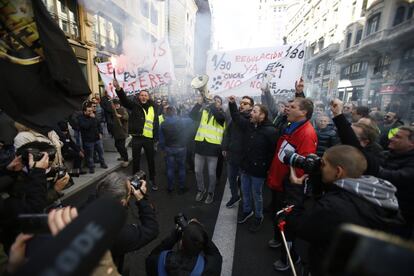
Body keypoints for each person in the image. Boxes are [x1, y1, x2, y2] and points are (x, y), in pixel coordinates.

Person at [287, 145, 406, 275]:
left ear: (338, 172)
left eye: (323, 164)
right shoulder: (378, 194)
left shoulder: (333, 207)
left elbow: (297, 224)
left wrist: (296, 190)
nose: (319, 167)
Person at [266, 97, 317, 270]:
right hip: (279, 181)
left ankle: (288, 258)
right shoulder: (291, 125)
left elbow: (301, 166)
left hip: (290, 187)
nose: (288, 109)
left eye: (293, 107)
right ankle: (278, 240)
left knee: (287, 223)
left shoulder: (307, 133)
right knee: (276, 213)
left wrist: (291, 185)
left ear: (303, 112)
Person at [93, 172, 159, 273]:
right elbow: (152, 229)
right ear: (123, 202)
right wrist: (141, 199)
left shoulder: (86, 209)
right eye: (129, 193)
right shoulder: (119, 233)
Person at [228, 97, 277, 232]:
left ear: (262, 115)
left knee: (257, 194)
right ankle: (247, 210)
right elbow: (237, 118)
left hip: (258, 171)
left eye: (254, 111)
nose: (251, 113)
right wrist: (232, 104)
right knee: (245, 191)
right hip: (245, 167)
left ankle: (258, 216)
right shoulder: (249, 125)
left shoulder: (271, 131)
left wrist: (265, 168)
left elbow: (272, 153)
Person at [114, 79, 159, 191]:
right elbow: (124, 101)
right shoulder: (134, 106)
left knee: (151, 160)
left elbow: (156, 123)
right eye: (141, 95)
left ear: (148, 97)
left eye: (145, 95)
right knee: (136, 161)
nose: (143, 97)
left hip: (149, 139)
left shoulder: (154, 107)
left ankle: (152, 180)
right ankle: (135, 181)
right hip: (137, 138)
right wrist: (119, 89)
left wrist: (156, 138)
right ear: (139, 97)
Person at [146, 219, 222, 276]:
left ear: (181, 243)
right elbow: (215, 254)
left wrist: (174, 236)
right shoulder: (210, 269)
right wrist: (199, 231)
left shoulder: (156, 261)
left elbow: (154, 253)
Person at [190, 96, 226, 204]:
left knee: (211, 173)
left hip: (213, 148)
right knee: (197, 171)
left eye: (218, 101)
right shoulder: (204, 112)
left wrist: (211, 105)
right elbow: (192, 115)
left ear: (221, 104)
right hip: (200, 146)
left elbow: (219, 118)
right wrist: (199, 103)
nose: (215, 102)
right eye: (214, 100)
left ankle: (211, 192)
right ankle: (201, 189)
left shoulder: (222, 115)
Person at [378, 126, 414, 231]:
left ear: (411, 143)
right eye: (393, 135)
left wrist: (375, 170)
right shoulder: (384, 155)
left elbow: (400, 177)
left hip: (399, 215)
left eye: (397, 137)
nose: (391, 138)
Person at [222, 96, 254, 208]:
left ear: (251, 107)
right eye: (241, 103)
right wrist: (225, 147)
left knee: (244, 182)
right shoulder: (235, 118)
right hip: (232, 155)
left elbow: (237, 118)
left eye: (245, 103)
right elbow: (228, 133)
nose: (242, 105)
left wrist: (232, 104)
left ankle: (246, 205)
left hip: (244, 157)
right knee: (231, 178)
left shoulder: (250, 119)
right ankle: (234, 196)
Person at [159, 106, 192, 194]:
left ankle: (170, 187)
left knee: (170, 168)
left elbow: (161, 139)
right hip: (181, 147)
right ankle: (181, 187)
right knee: (181, 167)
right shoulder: (182, 121)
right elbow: (191, 120)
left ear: (166, 114)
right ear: (175, 112)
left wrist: (163, 148)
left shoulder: (163, 124)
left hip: (169, 148)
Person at [78, 103, 107, 173]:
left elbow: (99, 125)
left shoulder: (94, 117)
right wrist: (92, 118)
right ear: (84, 112)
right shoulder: (81, 118)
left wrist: (100, 133)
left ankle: (103, 163)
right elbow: (86, 126)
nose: (91, 112)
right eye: (89, 111)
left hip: (97, 138)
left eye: (91, 111)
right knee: (90, 155)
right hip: (88, 140)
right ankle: (91, 167)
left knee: (101, 152)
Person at [111, 99, 129, 168]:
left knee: (122, 146)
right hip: (116, 132)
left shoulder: (122, 109)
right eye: (115, 104)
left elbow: (127, 117)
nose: (116, 105)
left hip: (122, 131)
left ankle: (126, 160)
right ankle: (122, 156)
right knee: (117, 145)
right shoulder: (114, 111)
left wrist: (121, 116)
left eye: (117, 104)